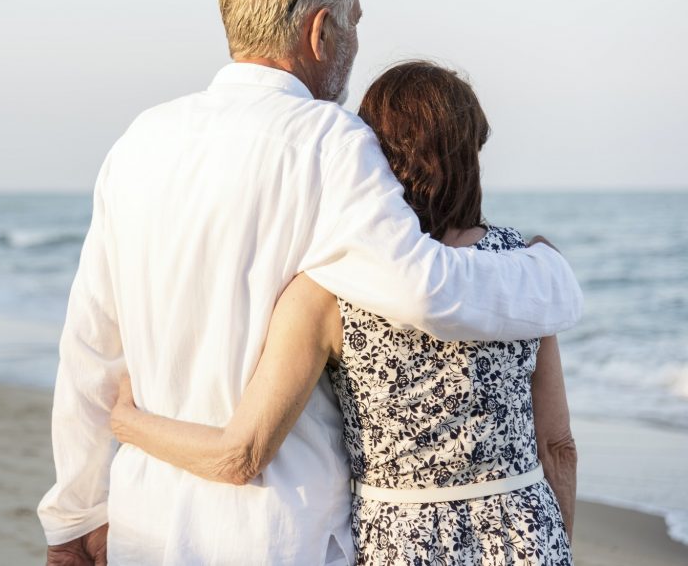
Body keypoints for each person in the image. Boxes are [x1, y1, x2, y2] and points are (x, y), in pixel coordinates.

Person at [37, 0, 583, 565]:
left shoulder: (138, 143)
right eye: (354, 21)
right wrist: (551, 278)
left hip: (148, 523)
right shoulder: (329, 142)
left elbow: (91, 344)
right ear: (321, 31)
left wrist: (74, 515)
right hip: (279, 530)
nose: (356, 40)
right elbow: (424, 288)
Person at [110, 61, 578, 565]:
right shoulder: (525, 271)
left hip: (402, 545)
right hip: (528, 535)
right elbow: (558, 447)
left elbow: (240, 454)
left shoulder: (328, 290)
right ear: (469, 157)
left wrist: (127, 422)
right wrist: (553, 544)